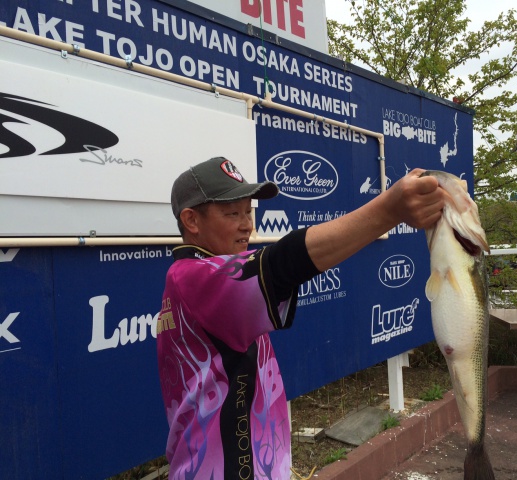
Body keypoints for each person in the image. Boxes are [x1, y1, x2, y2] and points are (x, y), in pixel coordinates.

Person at [157, 156, 445, 480]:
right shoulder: (192, 277)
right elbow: (284, 263)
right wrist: (389, 210)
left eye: (248, 211)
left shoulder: (204, 277)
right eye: (232, 213)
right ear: (191, 220)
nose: (246, 224)